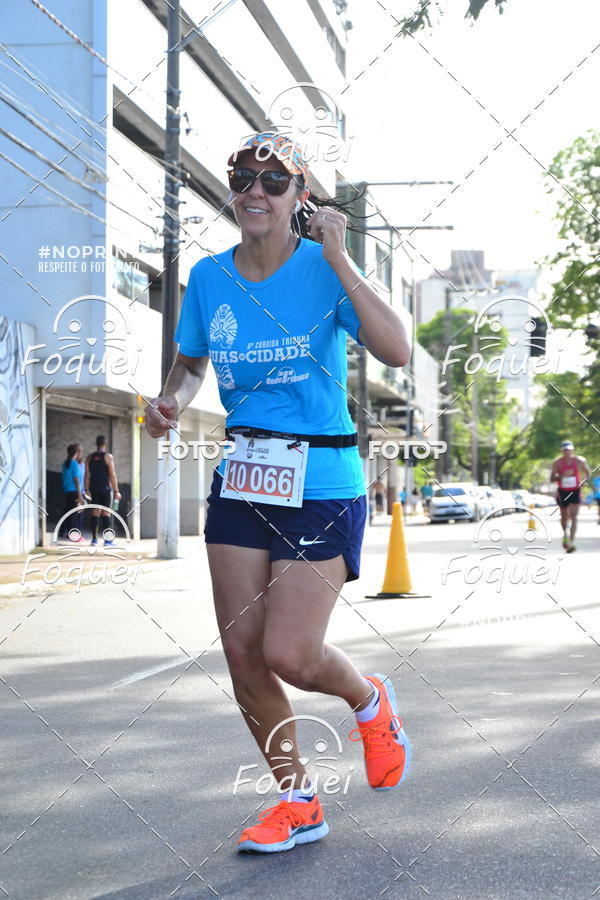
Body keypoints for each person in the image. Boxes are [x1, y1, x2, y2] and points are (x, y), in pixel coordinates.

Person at [144, 132, 412, 854]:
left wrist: (340, 257)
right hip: (244, 476)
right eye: (244, 179)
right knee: (243, 655)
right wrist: (169, 399)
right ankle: (297, 799)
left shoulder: (325, 271)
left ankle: (368, 700)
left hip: (321, 478)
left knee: (291, 653)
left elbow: (397, 349)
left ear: (300, 199)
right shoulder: (208, 277)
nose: (255, 191)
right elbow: (190, 364)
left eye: (273, 181)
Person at [550, 440, 591, 552]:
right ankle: (565, 535)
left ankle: (571, 543)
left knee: (574, 516)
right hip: (563, 491)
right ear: (561, 451)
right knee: (564, 518)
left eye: (569, 449)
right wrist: (562, 476)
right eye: (565, 450)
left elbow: (588, 472)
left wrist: (585, 481)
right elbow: (552, 478)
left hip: (576, 490)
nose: (567, 452)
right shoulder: (557, 463)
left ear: (572, 449)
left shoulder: (579, 460)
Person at [85, 435, 121, 547]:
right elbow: (112, 474)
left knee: (95, 512)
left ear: (96, 444)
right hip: (105, 488)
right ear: (105, 444)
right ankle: (107, 541)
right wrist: (116, 491)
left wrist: (86, 489)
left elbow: (87, 475)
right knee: (106, 513)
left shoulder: (89, 457)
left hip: (93, 488)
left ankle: (94, 540)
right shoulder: (108, 457)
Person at [59, 443, 84, 540]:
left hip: (67, 491)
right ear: (76, 453)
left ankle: (63, 532)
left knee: (68, 513)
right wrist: (80, 495)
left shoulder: (65, 463)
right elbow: (76, 480)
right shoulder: (74, 464)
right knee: (73, 514)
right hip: (74, 492)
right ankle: (74, 535)